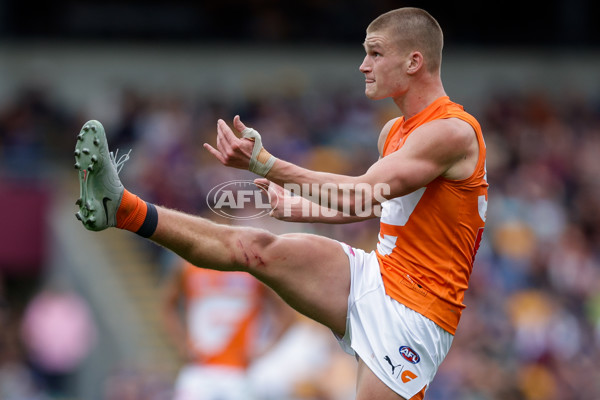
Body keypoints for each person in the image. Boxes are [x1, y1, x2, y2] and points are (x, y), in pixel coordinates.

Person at [73, 7, 488, 400]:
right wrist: (301, 210)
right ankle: (122, 208)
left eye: (375, 53)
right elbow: (378, 205)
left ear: (414, 61)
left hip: (416, 313)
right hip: (375, 275)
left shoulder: (451, 131)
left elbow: (364, 191)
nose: (364, 65)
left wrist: (264, 163)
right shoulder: (395, 131)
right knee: (256, 248)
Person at [161, 258, 296, 400]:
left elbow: (287, 313)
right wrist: (181, 345)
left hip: (240, 373)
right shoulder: (188, 265)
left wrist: (266, 349)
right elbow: (167, 305)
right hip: (199, 369)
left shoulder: (253, 268)